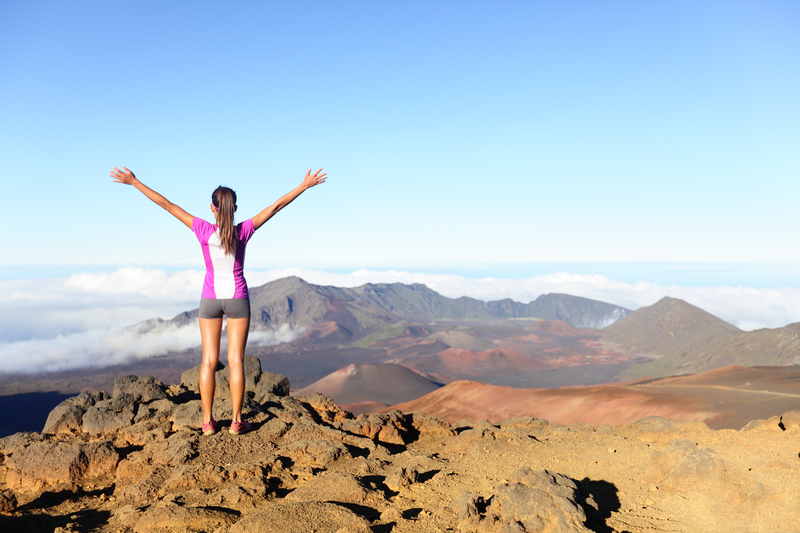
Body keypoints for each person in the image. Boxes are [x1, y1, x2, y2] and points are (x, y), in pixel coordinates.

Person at [109, 166, 327, 435]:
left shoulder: (201, 228)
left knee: (208, 361)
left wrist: (134, 182)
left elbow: (167, 205)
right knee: (236, 361)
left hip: (210, 299)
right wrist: (304, 185)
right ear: (234, 208)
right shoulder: (244, 229)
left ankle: (208, 422)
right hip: (238, 299)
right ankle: (237, 422)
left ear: (212, 208)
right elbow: (276, 206)